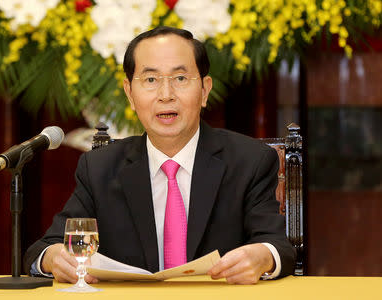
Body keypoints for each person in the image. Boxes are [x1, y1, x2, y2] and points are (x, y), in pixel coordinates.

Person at [24, 26, 295, 284]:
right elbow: (45, 248)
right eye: (151, 79)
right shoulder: (100, 167)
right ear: (129, 94)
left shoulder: (249, 160)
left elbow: (277, 246)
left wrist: (262, 257)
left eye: (180, 78)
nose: (166, 95)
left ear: (205, 90)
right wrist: (52, 259)